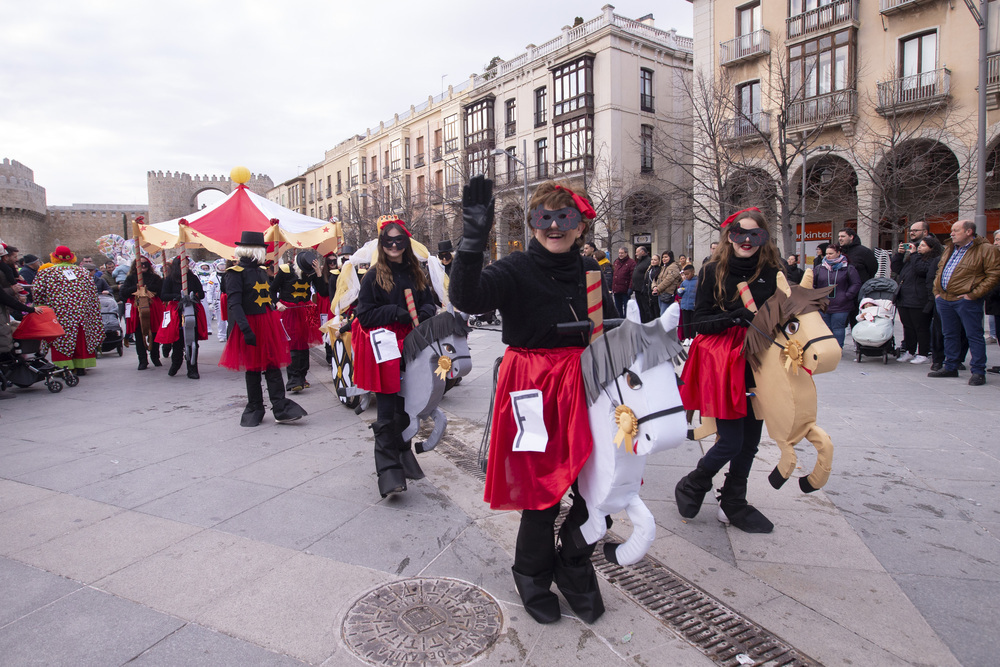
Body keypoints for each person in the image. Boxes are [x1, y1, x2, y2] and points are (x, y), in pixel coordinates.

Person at [450, 175, 617, 626]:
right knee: (542, 495)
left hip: (588, 384)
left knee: (597, 487)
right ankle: (532, 575)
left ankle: (573, 562)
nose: (555, 227)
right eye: (545, 218)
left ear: (581, 225)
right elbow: (466, 296)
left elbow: (614, 333)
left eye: (565, 218)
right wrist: (472, 238)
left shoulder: (593, 273)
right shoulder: (516, 269)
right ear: (533, 224)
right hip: (534, 387)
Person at [675, 207, 782, 534]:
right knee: (732, 441)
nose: (747, 240)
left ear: (763, 237)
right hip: (724, 362)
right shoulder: (711, 271)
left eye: (755, 234)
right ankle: (695, 481)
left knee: (750, 442)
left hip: (760, 361)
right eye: (740, 234)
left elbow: (785, 312)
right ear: (729, 236)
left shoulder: (773, 271)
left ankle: (733, 500)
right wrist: (734, 315)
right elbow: (700, 321)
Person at [353, 215, 438, 498]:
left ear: (406, 242)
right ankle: (388, 470)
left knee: (407, 406)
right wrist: (393, 312)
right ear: (381, 243)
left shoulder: (417, 273)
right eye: (388, 241)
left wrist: (426, 312)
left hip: (413, 344)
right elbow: (363, 315)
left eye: (398, 240)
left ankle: (402, 453)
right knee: (388, 409)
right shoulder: (373, 276)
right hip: (387, 347)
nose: (393, 245)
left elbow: (429, 302)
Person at [219, 231, 307, 426]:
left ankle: (280, 407)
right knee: (252, 369)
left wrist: (275, 306)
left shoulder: (260, 271)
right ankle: (255, 407)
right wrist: (245, 329)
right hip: (250, 324)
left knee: (272, 367)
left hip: (267, 323)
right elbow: (234, 304)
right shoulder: (235, 274)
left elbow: (267, 297)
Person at [929, 220, 1000, 386]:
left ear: (969, 232)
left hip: (966, 300)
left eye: (956, 230)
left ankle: (978, 371)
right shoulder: (950, 248)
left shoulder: (986, 249)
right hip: (945, 299)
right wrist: (937, 292)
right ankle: (951, 366)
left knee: (973, 335)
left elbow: (994, 275)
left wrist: (974, 294)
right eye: (952, 231)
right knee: (949, 334)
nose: (951, 234)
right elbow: (940, 270)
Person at [30, 246, 103, 375]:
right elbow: (93, 293)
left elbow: (37, 292)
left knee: (61, 339)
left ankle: (64, 367)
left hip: (58, 313)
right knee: (81, 337)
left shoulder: (46, 272)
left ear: (54, 257)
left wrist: (41, 305)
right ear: (72, 257)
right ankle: (81, 366)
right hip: (81, 311)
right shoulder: (83, 272)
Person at [270, 250, 325, 392]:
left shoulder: (312, 273)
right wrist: (277, 303)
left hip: (305, 310)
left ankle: (302, 376)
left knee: (304, 346)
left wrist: (318, 273)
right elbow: (271, 290)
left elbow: (323, 291)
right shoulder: (285, 271)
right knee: (293, 345)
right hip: (288, 311)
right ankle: (294, 380)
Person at [156, 256, 207, 379]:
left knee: (193, 341)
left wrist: (193, 296)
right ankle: (176, 363)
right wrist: (178, 296)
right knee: (178, 343)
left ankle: (192, 368)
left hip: (191, 311)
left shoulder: (193, 278)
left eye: (187, 264)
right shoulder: (169, 279)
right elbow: (163, 295)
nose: (186, 266)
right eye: (183, 264)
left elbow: (201, 294)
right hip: (177, 313)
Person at [895, 234, 940, 364]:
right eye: (919, 245)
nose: (919, 248)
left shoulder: (932, 260)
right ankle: (910, 350)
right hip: (904, 297)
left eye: (923, 246)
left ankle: (923, 353)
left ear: (931, 248)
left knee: (921, 327)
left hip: (919, 299)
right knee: (907, 327)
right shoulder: (912, 259)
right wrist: (899, 255)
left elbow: (921, 270)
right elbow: (897, 269)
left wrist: (914, 255)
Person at [119, 258, 165, 370]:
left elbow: (161, 291)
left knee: (154, 333)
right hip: (137, 308)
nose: (143, 266)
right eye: (140, 264)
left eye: (145, 264)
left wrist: (146, 288)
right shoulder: (130, 278)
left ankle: (155, 357)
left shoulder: (155, 278)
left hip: (153, 308)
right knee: (139, 334)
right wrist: (136, 288)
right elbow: (123, 294)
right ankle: (142, 360)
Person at [814, 244, 861, 348]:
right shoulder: (819, 268)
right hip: (823, 304)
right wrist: (816, 296)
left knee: (838, 327)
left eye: (831, 253)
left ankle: (837, 348)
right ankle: (827, 349)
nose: (828, 256)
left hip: (841, 304)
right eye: (826, 254)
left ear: (839, 253)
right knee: (825, 328)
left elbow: (856, 283)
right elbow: (813, 284)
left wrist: (847, 295)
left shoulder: (848, 268)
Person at [652, 250, 681, 316]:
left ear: (670, 257)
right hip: (660, 293)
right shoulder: (663, 267)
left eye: (666, 257)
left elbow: (668, 280)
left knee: (665, 315)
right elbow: (656, 278)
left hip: (668, 294)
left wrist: (658, 288)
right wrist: (654, 287)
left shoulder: (673, 267)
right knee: (662, 314)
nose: (663, 259)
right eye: (663, 257)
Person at [611, 246, 635, 317]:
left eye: (622, 253)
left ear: (626, 253)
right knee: (618, 307)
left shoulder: (631, 263)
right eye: (619, 253)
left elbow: (632, 277)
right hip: (616, 289)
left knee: (626, 307)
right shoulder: (616, 262)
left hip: (625, 290)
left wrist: (630, 288)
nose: (620, 255)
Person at [676, 263, 698, 341]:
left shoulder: (697, 281)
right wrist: (679, 291)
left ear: (693, 272)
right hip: (685, 305)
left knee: (693, 322)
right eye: (685, 274)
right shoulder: (684, 282)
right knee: (685, 322)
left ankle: (692, 337)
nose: (686, 276)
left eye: (688, 274)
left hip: (693, 305)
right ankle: (686, 338)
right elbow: (680, 294)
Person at [630, 246, 651, 320]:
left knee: (645, 309)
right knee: (640, 309)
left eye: (637, 252)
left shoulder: (648, 261)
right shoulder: (640, 261)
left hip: (643, 290)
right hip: (637, 289)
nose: (636, 254)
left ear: (642, 252)